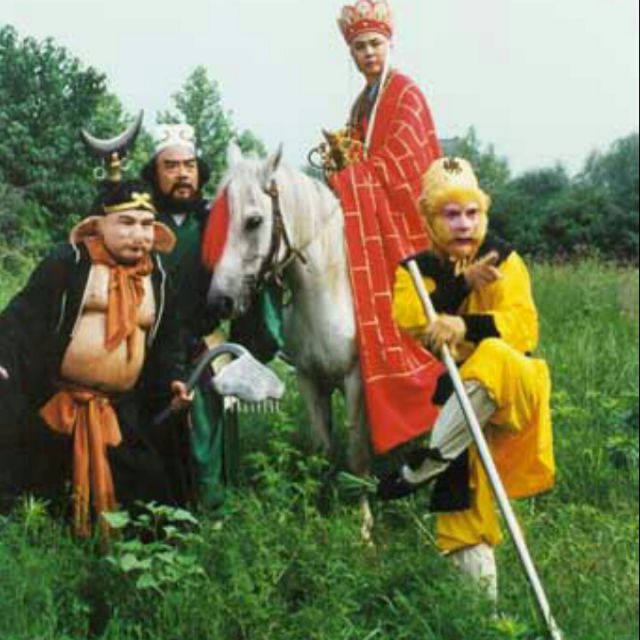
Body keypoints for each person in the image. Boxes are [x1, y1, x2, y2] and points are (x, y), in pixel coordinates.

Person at [389, 157, 556, 600]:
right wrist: (463, 286)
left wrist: (464, 326)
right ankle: (481, 614)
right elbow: (415, 318)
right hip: (463, 400)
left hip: (514, 386)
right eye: (451, 214)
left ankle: (430, 459)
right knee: (461, 507)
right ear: (429, 218)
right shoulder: (414, 271)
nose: (464, 224)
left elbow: (523, 329)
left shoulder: (505, 259)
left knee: (494, 353)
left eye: (472, 212)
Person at [0, 180, 192, 538]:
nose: (139, 234)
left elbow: (168, 342)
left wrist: (174, 379)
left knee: (148, 501)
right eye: (126, 222)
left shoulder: (159, 276)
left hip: (121, 409)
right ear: (98, 225)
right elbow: (22, 317)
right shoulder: (69, 262)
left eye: (147, 224)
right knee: (42, 500)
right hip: (60, 404)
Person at [142, 125, 283, 509]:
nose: (182, 174)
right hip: (143, 348)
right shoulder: (140, 221)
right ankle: (154, 515)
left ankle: (210, 515)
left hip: (198, 348)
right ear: (155, 172)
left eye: (189, 165)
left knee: (203, 438)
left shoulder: (216, 220)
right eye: (171, 166)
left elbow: (249, 265)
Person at [327, 0, 444, 458]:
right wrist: (339, 170)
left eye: (374, 43)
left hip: (404, 221)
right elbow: (359, 157)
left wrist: (353, 178)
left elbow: (408, 162)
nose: (368, 53)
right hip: (371, 213)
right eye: (359, 47)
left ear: (389, 43)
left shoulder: (407, 93)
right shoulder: (361, 104)